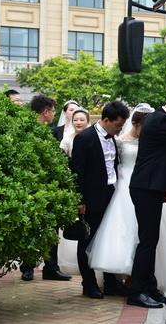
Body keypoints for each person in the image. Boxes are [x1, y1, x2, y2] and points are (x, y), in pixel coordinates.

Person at [88, 103, 166, 292]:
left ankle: (144, 282)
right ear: (135, 123)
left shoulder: (150, 139)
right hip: (127, 186)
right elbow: (113, 163)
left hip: (149, 186)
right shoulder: (121, 140)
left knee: (149, 238)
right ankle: (128, 282)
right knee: (129, 234)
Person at [128, 87, 166, 308]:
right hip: (146, 187)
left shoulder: (158, 119)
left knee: (150, 240)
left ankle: (150, 288)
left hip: (150, 187)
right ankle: (136, 292)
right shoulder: (163, 121)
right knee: (147, 241)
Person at [69, 100, 130, 299]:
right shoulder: (84, 138)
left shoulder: (112, 138)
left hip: (112, 195)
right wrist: (80, 200)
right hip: (92, 197)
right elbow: (77, 171)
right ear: (106, 120)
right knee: (87, 240)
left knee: (110, 238)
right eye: (117, 124)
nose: (119, 128)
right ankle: (89, 283)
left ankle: (111, 282)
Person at [21, 94, 71, 282]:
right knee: (31, 227)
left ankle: (51, 266)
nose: (54, 114)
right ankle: (27, 266)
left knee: (51, 227)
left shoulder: (50, 132)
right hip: (31, 185)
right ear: (46, 112)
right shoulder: (28, 130)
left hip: (49, 185)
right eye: (52, 111)